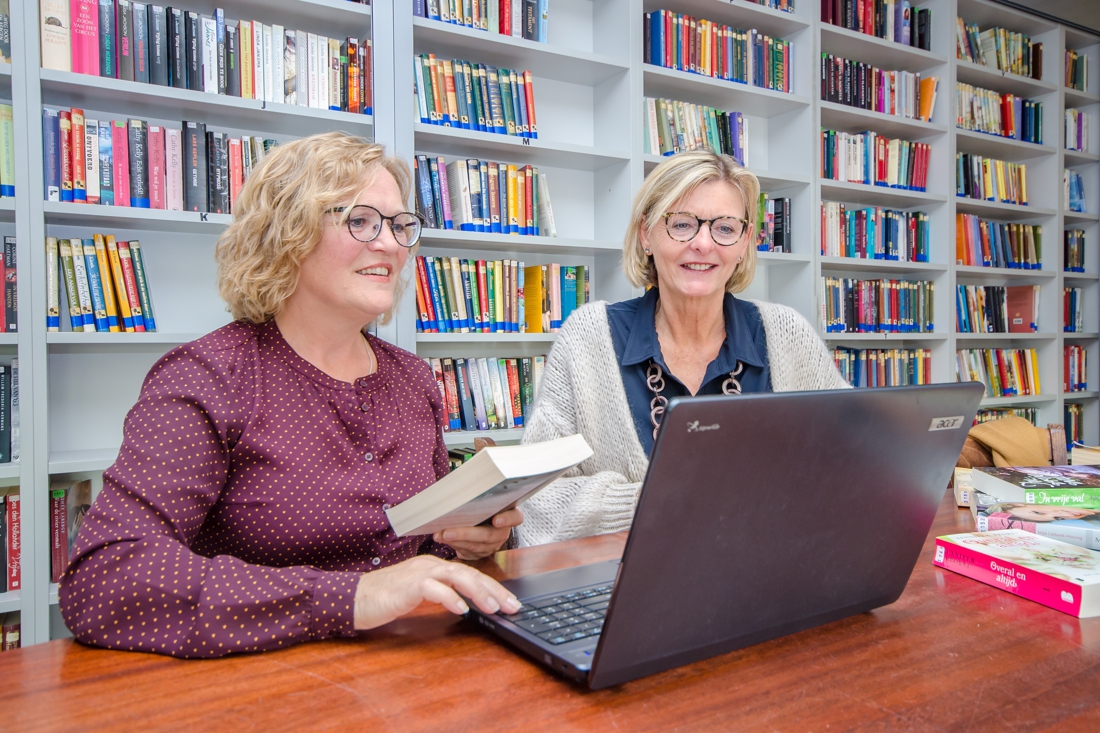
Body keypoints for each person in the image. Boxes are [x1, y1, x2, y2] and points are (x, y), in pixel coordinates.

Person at [59, 132, 522, 658]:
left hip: (410, 661)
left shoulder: (412, 378)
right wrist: (352, 597)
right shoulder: (209, 377)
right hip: (261, 675)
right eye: (361, 220)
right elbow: (104, 577)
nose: (392, 245)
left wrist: (473, 539)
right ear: (287, 233)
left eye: (399, 226)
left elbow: (421, 549)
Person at [517, 150, 848, 547]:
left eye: (724, 228)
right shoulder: (588, 339)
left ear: (744, 242)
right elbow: (534, 501)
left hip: (769, 573)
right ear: (646, 234)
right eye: (682, 224)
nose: (703, 244)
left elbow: (852, 465)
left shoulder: (787, 335)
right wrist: (655, 503)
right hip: (621, 581)